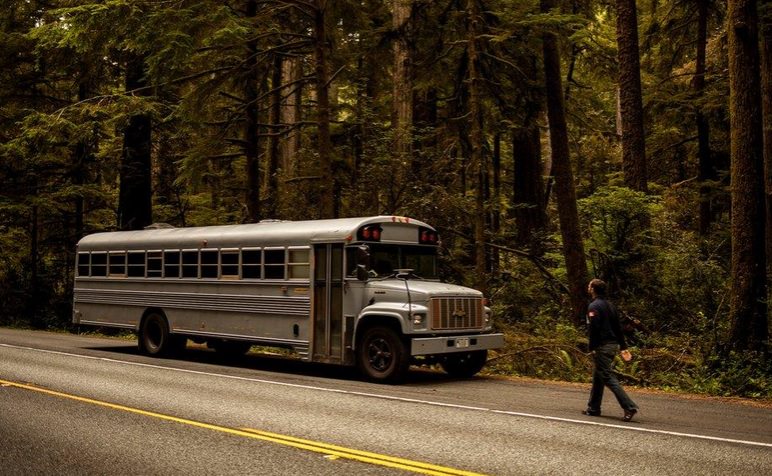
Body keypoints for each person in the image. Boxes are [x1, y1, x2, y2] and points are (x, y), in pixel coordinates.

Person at [583, 278, 639, 422]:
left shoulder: (594, 307)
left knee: (607, 376)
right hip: (612, 345)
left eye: (589, 286)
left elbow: (593, 329)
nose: (588, 287)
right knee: (599, 375)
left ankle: (629, 406)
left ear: (593, 289)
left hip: (602, 346)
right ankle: (593, 408)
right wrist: (623, 346)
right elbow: (618, 328)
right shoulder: (610, 306)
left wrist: (592, 347)